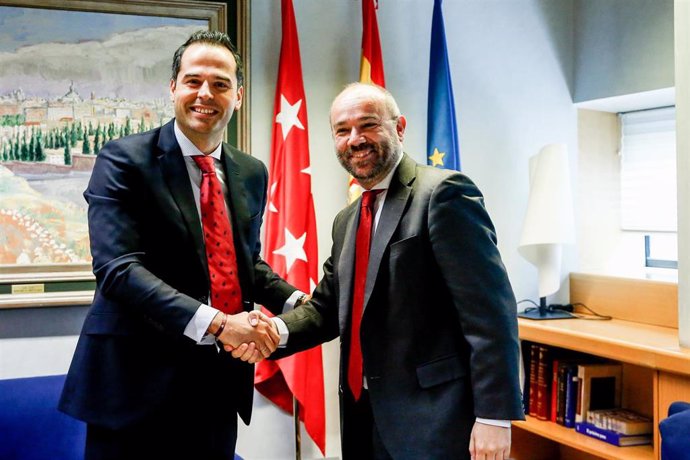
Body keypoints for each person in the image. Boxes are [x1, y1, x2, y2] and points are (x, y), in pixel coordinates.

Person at [239, 83, 525, 459]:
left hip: (436, 421)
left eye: (368, 125)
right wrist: (273, 331)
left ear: (400, 127)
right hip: (364, 416)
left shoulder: (443, 194)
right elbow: (327, 308)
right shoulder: (347, 221)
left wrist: (494, 416)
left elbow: (489, 314)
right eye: (342, 130)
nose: (355, 139)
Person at [59, 30, 305, 460]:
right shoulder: (123, 159)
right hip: (133, 388)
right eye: (193, 81)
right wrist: (221, 324)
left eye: (220, 83)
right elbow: (118, 269)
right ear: (173, 87)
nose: (205, 93)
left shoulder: (250, 172)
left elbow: (243, 262)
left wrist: (302, 303)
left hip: (216, 387)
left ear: (239, 95)